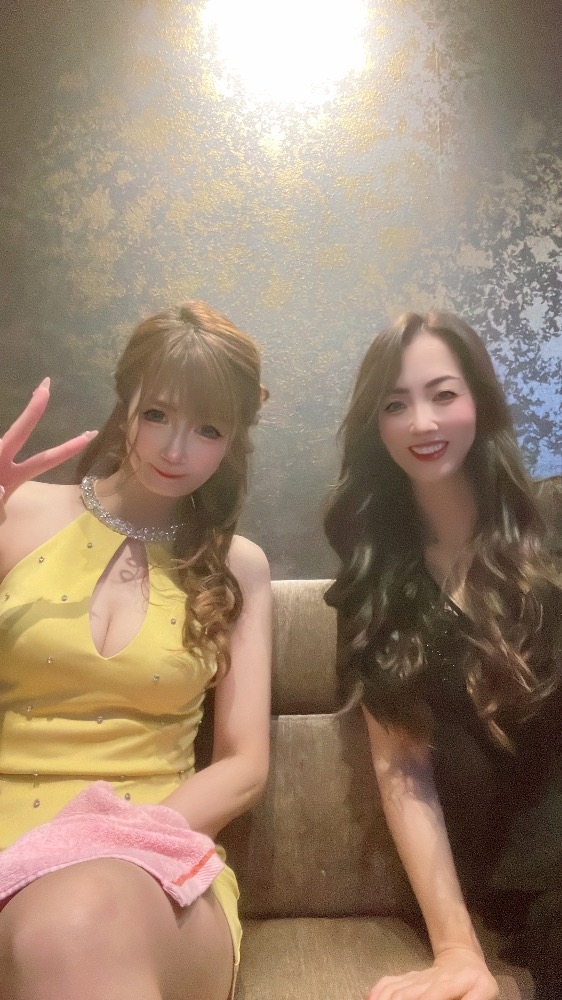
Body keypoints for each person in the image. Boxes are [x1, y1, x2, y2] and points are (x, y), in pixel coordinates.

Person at [0, 300, 272, 1000]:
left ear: (233, 441)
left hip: (151, 866)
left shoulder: (238, 567)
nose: (176, 450)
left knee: (77, 921)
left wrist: (110, 839)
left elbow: (244, 765)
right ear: (127, 404)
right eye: (157, 414)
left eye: (208, 429)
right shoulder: (16, 513)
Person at [324, 311, 562, 1000]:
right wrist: (457, 948)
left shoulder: (551, 526)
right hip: (528, 882)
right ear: (375, 426)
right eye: (396, 404)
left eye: (443, 394)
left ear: (479, 401)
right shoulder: (374, 584)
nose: (422, 421)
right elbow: (402, 765)